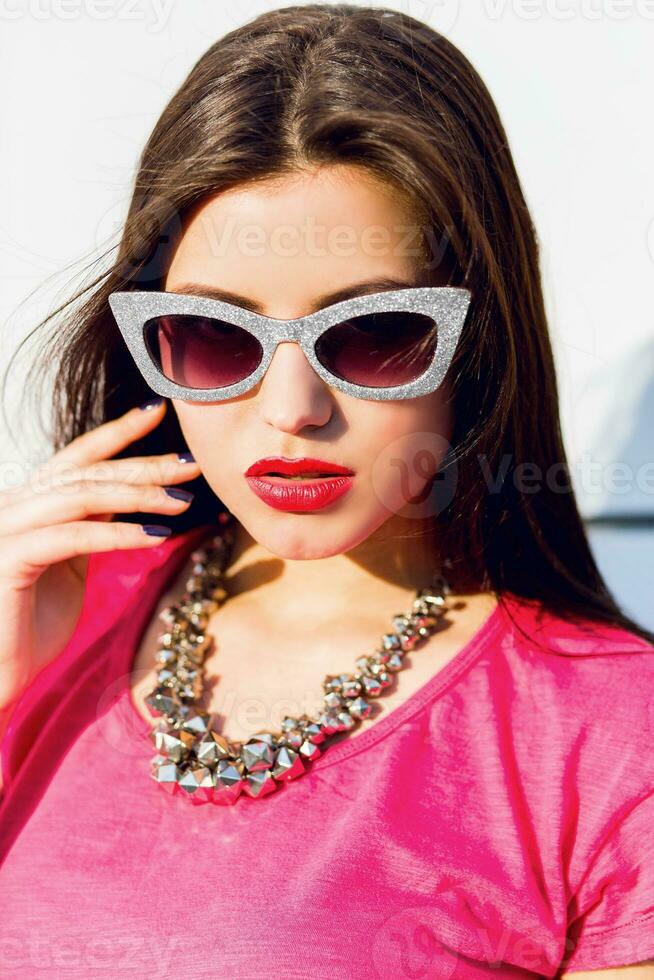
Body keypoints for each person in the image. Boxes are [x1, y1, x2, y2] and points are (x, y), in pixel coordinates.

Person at [0, 5, 652, 978]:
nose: (293, 407)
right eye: (214, 336)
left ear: (475, 342)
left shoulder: (606, 733)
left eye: (375, 333)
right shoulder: (46, 611)